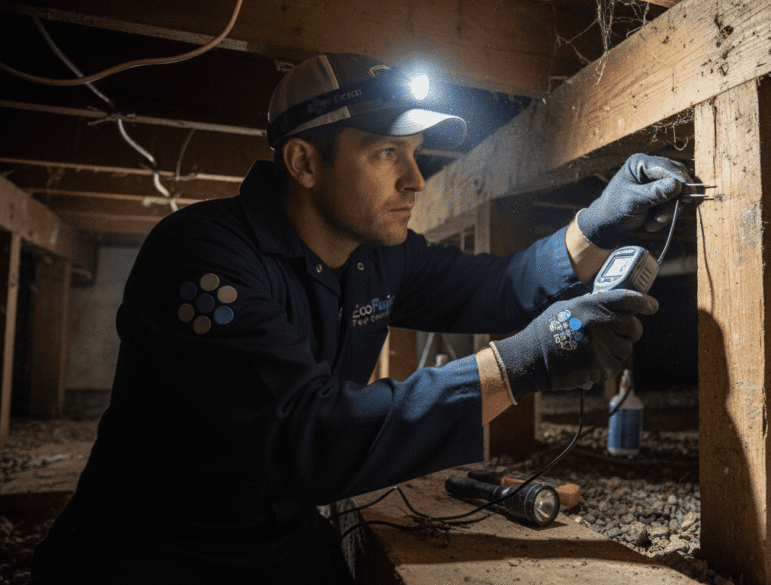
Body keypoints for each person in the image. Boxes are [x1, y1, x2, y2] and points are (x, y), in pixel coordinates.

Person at [30, 53, 692, 583]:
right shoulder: (202, 259)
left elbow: (494, 287)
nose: (417, 179)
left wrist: (594, 226)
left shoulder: (378, 256)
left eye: (416, 153)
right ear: (304, 162)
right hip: (155, 555)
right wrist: (526, 361)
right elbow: (307, 436)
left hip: (283, 545)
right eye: (386, 154)